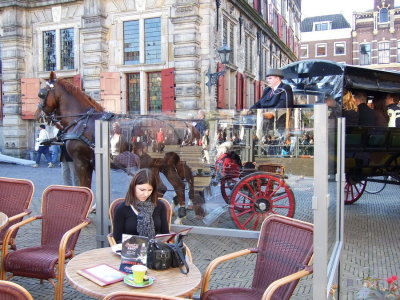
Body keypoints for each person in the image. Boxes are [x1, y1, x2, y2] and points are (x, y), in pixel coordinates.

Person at [113, 169, 170, 243]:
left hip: (155, 250)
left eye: (150, 190)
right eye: (142, 190)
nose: (146, 194)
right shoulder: (122, 208)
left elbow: (165, 234)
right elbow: (117, 239)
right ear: (133, 187)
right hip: (130, 251)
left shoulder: (160, 206)